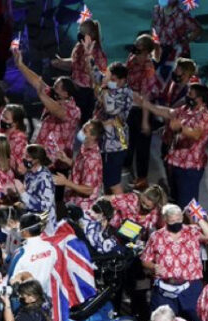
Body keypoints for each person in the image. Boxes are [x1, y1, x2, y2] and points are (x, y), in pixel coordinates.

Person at [141, 204, 208, 321]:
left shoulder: (192, 231)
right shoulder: (156, 236)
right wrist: (153, 266)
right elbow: (145, 259)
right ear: (165, 219)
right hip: (164, 287)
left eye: (178, 219)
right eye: (172, 220)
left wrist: (198, 216)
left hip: (190, 286)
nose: (176, 223)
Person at [140, 83, 208, 208]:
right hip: (175, 163)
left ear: (200, 98)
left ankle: (194, 226)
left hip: (190, 167)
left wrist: (180, 128)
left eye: (190, 94)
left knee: (189, 205)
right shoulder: (185, 109)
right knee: (177, 200)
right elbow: (169, 112)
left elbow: (196, 134)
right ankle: (181, 224)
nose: (187, 96)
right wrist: (147, 105)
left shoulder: (205, 116)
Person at [14, 49, 80, 173]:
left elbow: (58, 111)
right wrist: (20, 65)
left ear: (65, 93)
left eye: (57, 87)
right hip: (41, 155)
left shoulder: (73, 110)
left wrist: (41, 95)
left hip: (57, 162)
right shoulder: (52, 95)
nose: (53, 88)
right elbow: (36, 81)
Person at [88, 60, 132, 195]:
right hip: (102, 142)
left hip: (116, 145)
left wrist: (106, 88)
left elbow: (111, 109)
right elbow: (94, 74)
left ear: (122, 80)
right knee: (104, 180)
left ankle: (123, 210)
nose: (108, 81)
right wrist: (89, 56)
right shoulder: (111, 85)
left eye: (113, 79)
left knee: (113, 182)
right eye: (109, 78)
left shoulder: (124, 93)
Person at [51, 18, 108, 124]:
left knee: (81, 122)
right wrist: (61, 62)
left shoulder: (97, 53)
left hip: (86, 94)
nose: (79, 34)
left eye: (82, 32)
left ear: (90, 34)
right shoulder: (79, 46)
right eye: (79, 31)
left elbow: (99, 75)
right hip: (75, 88)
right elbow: (75, 62)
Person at [125, 34, 158, 188]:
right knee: (129, 140)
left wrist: (145, 121)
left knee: (142, 146)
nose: (134, 47)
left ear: (146, 50)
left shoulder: (148, 68)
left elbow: (146, 96)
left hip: (142, 110)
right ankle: (126, 166)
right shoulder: (132, 59)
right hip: (129, 107)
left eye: (138, 45)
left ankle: (142, 177)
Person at [54, 120, 104, 212]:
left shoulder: (92, 160)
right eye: (82, 128)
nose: (81, 132)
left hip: (81, 208)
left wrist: (66, 182)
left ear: (93, 136)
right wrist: (67, 160)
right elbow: (81, 168)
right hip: (71, 200)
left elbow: (89, 190)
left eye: (84, 131)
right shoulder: (84, 148)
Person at [151, 0, 202, 84]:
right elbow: (153, 29)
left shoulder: (182, 15)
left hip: (177, 53)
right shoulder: (156, 11)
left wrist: (185, 41)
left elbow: (197, 30)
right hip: (161, 51)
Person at [7, 213, 58, 296]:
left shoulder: (21, 253)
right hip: (47, 296)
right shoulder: (51, 247)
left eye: (21, 228)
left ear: (26, 232)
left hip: (26, 299)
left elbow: (10, 279)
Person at [15, 145, 56, 234]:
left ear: (36, 160)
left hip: (43, 227)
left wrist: (22, 192)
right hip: (30, 220)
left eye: (27, 157)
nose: (23, 159)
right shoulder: (29, 173)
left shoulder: (45, 179)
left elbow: (45, 206)